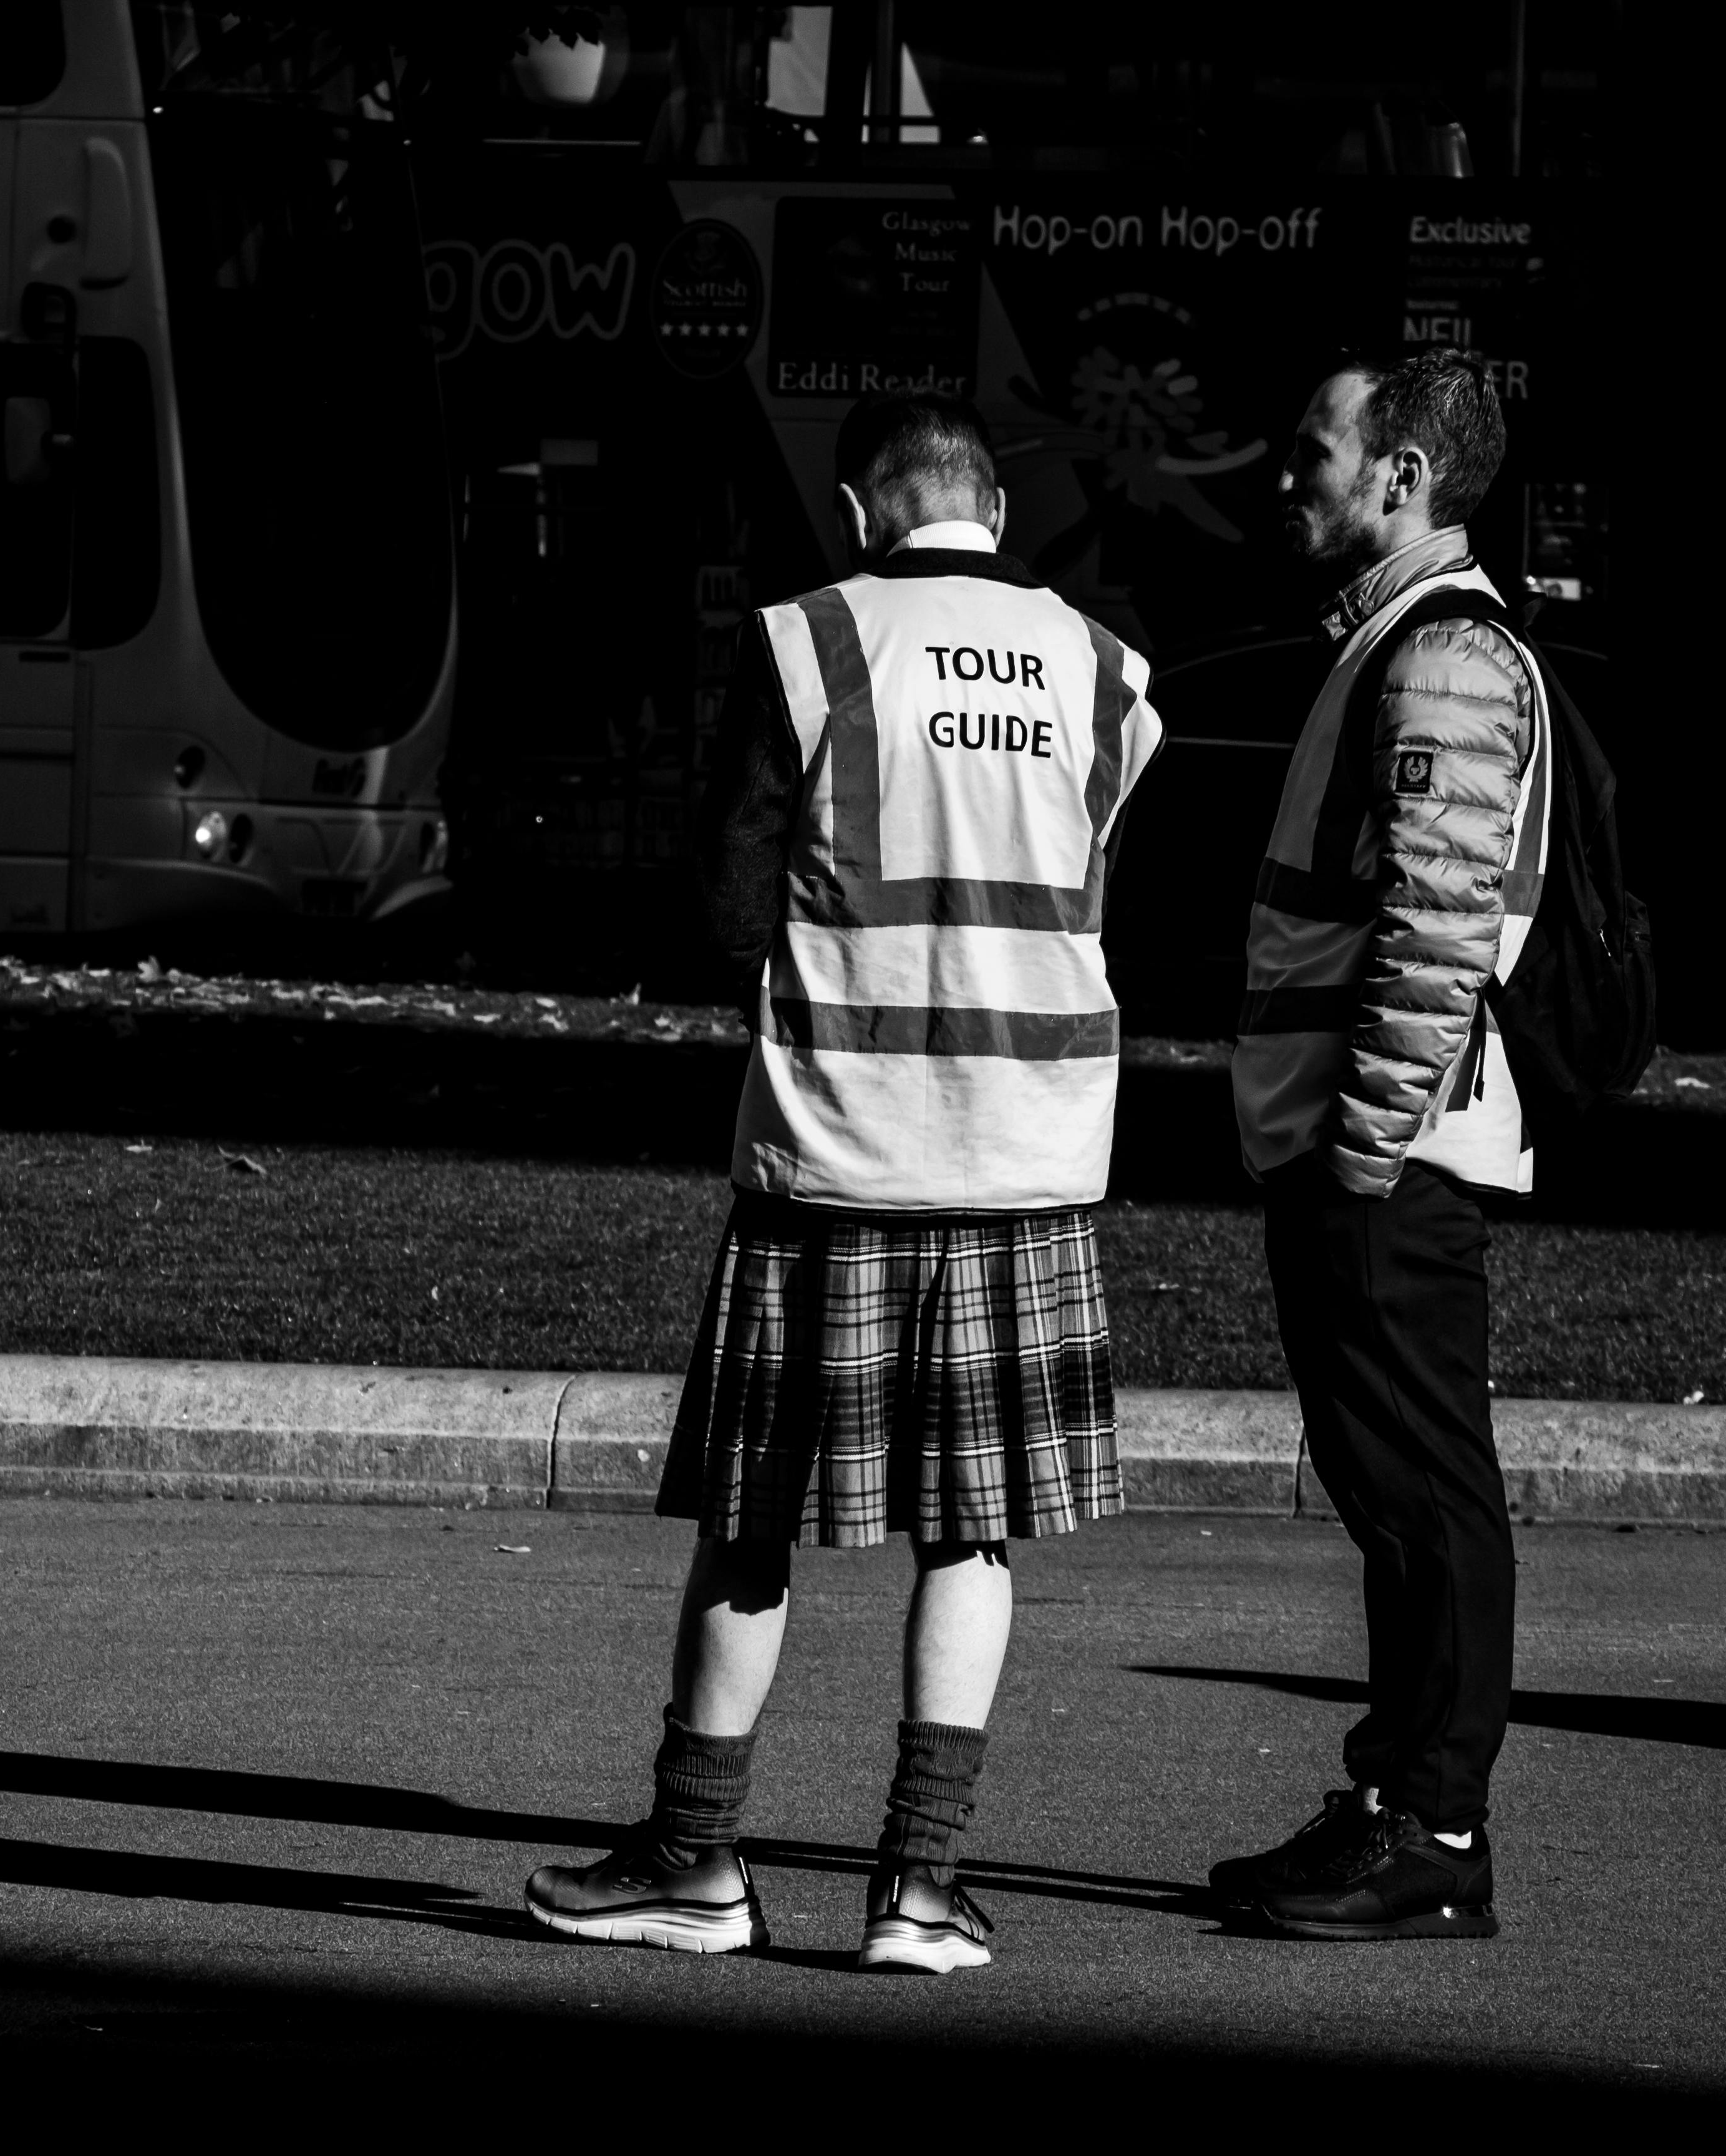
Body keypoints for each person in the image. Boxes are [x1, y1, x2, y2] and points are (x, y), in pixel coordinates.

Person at [521, 392, 1164, 1974]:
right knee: (977, 1532)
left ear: (860, 510)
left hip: (842, 1144)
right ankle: (921, 1889)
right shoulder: (1111, 670)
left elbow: (731, 909)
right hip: (1029, 1152)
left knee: (754, 1523)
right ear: (995, 517)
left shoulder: (812, 639)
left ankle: (697, 1861)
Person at [1211, 349, 1539, 1941]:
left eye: (1313, 451)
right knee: (1393, 1495)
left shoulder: (1447, 658)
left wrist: (1356, 1152)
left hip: (1388, 1160)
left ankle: (1435, 1832)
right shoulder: (1395, 646)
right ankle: (1397, 1805)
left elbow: (1436, 931)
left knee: (1425, 1494)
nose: (1289, 478)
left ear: (1402, 479)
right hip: (1358, 1152)